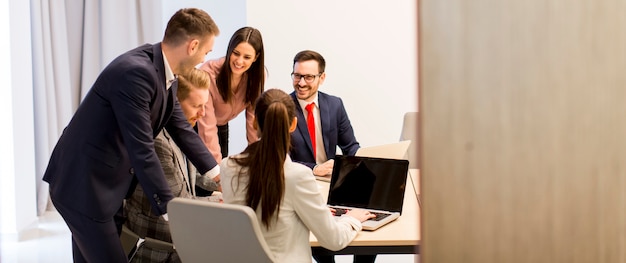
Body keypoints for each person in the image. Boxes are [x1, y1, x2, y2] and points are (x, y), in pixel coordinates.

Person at [42, 8, 221, 263]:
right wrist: (172, 209)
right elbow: (142, 147)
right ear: (193, 46)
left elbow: (180, 127)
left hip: (105, 186)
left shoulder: (164, 72)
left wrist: (217, 175)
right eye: (207, 51)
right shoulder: (136, 73)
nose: (205, 59)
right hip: (83, 186)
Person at [220, 89, 375, 262]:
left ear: (255, 122)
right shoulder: (297, 176)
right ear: (293, 124)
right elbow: (334, 240)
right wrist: (350, 219)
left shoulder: (228, 166)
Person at [124, 68, 220, 262]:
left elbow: (194, 174)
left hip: (176, 236)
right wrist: (224, 201)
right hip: (156, 247)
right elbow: (181, 205)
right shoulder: (159, 142)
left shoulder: (184, 132)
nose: (202, 113)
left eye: (204, 106)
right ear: (174, 103)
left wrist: (226, 182)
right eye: (196, 106)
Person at [287, 50, 375, 263]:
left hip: (334, 183)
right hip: (303, 185)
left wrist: (364, 165)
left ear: (322, 78)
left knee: (369, 221)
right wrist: (314, 168)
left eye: (308, 77)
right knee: (324, 246)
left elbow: (350, 146)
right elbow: (281, 159)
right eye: (297, 76)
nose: (301, 83)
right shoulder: (282, 107)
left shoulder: (334, 105)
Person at [196, 26, 265, 165]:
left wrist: (257, 159)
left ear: (256, 57)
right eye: (236, 53)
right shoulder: (208, 74)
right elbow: (207, 126)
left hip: (221, 126)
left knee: (222, 172)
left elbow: (253, 123)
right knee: (208, 176)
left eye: (247, 57)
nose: (239, 61)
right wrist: (217, 171)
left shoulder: (256, 76)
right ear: (229, 50)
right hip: (197, 126)